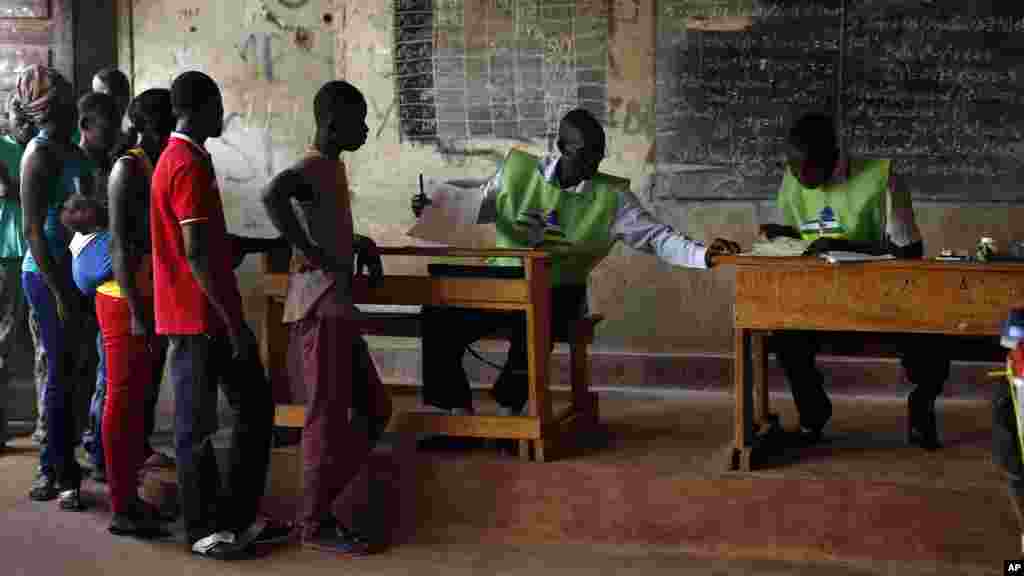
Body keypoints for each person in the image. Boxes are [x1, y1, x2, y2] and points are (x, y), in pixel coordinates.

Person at [411, 108, 740, 427]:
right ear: (561, 147)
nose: (593, 163)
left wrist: (703, 254)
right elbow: (478, 207)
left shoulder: (612, 197)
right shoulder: (517, 172)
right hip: (504, 281)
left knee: (540, 316)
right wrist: (434, 208)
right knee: (438, 313)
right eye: (585, 154)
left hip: (559, 292)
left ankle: (509, 410)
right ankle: (453, 412)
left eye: (599, 154)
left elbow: (656, 237)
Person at [151, 71, 288, 559]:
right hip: (198, 316)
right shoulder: (184, 162)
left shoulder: (189, 158)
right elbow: (195, 251)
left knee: (252, 406)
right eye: (217, 104)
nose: (221, 114)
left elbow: (208, 242)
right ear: (198, 107)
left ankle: (237, 517)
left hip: (204, 311)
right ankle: (203, 530)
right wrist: (232, 320)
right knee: (196, 426)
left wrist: (258, 245)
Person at [759, 112, 948, 450]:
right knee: (785, 336)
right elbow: (799, 231)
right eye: (792, 167)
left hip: (882, 297)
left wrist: (845, 246)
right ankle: (813, 415)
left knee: (930, 338)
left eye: (807, 169)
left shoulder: (882, 178)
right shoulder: (793, 177)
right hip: (818, 295)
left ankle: (921, 405)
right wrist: (781, 235)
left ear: (833, 156)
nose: (799, 177)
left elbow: (910, 252)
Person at [262, 80, 392, 555]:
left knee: (375, 408)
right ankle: (314, 521)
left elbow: (326, 224)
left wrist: (358, 244)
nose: (364, 130)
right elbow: (273, 194)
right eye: (359, 122)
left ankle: (314, 508)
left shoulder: (331, 169)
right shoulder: (314, 166)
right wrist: (304, 247)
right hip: (320, 308)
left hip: (335, 305)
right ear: (334, 123)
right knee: (326, 418)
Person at [18, 65, 95, 509]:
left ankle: (65, 460)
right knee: (61, 371)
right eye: (64, 96)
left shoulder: (71, 149)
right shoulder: (38, 154)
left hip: (74, 268)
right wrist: (62, 292)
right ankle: (55, 468)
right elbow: (33, 232)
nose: (72, 101)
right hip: (46, 274)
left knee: (77, 369)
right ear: (47, 106)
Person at [0, 94, 33, 451]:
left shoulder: (42, 147)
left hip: (36, 256)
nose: (22, 124)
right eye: (17, 117)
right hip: (6, 256)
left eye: (28, 117)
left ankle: (44, 427)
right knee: (3, 341)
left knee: (42, 343)